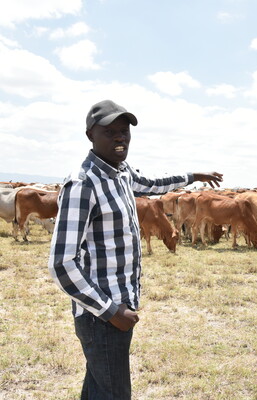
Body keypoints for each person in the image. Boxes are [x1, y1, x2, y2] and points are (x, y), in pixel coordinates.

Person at [48, 99, 223, 400]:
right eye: (110, 131)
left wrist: (194, 177)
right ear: (90, 134)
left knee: (100, 388)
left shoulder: (121, 172)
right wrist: (110, 311)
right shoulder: (83, 184)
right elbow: (62, 263)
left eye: (125, 131)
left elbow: (153, 184)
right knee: (114, 393)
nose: (120, 137)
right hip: (101, 314)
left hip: (120, 304)